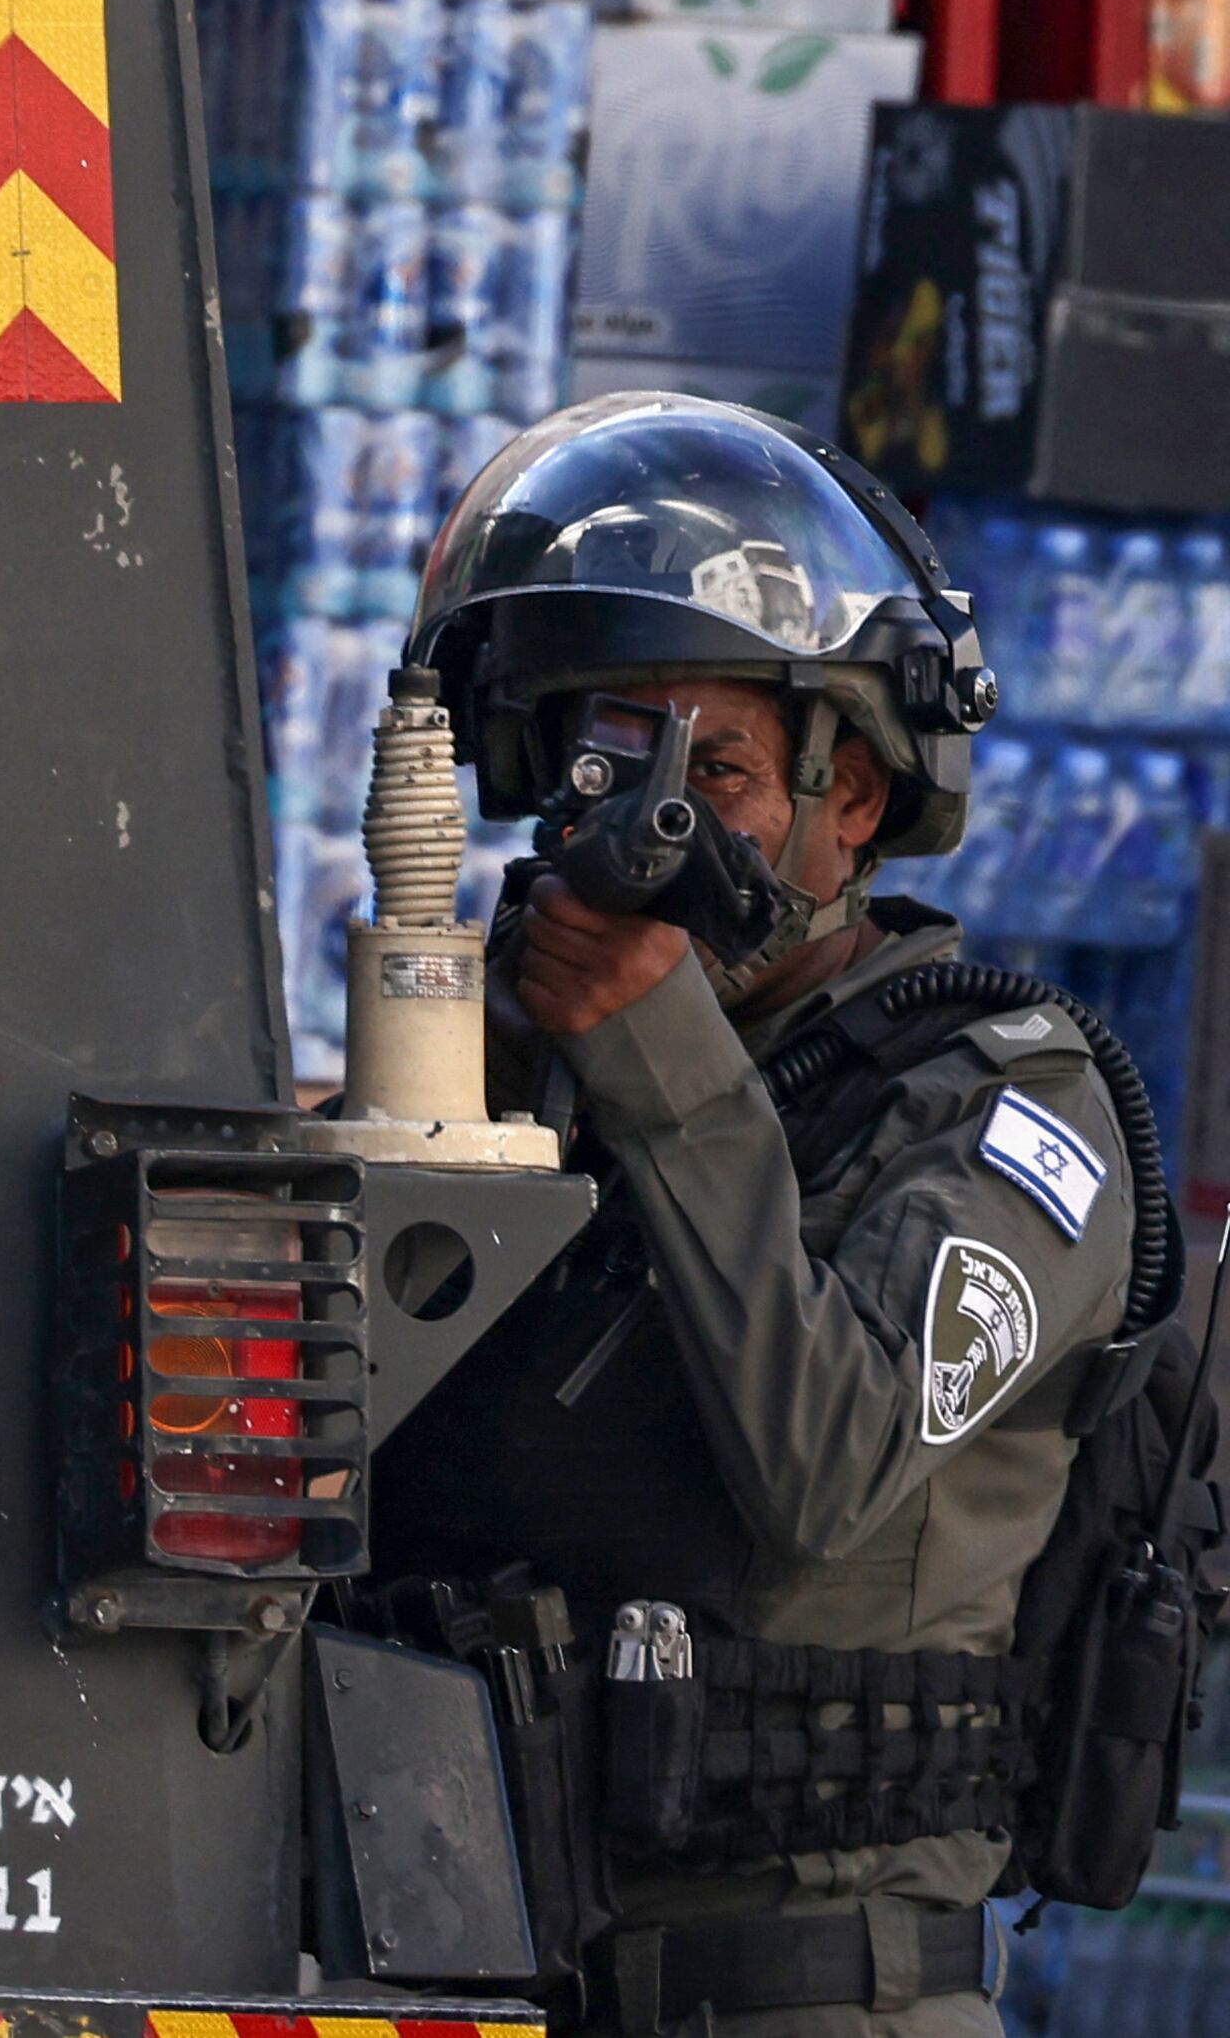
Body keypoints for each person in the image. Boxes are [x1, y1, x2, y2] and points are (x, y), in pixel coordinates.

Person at [372, 394, 1147, 2036]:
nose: (641, 828)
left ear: (848, 799)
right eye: (603, 761)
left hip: (813, 1998)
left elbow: (831, 1464)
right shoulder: (549, 1089)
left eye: (709, 768)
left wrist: (657, 1058)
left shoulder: (1008, 1102)